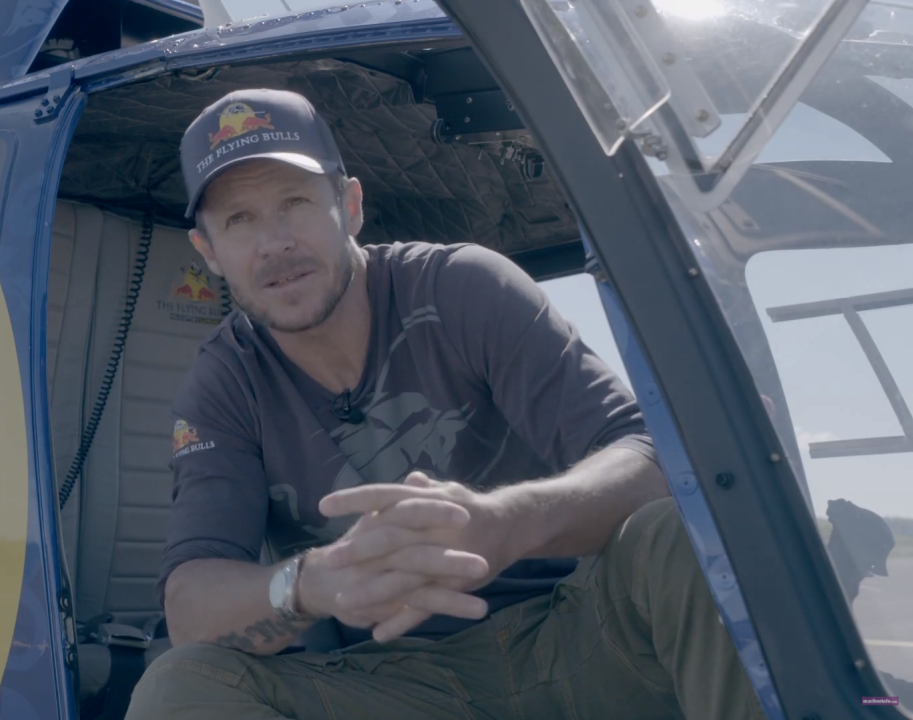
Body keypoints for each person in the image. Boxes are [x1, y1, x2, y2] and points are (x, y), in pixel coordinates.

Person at [125, 88, 768, 719]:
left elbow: (656, 461)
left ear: (349, 205)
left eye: (295, 202)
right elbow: (191, 607)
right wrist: (313, 582)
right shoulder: (225, 384)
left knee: (683, 533)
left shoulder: (462, 288)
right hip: (397, 682)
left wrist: (505, 522)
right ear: (208, 252)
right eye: (239, 220)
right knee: (177, 689)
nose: (274, 242)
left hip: (575, 637)